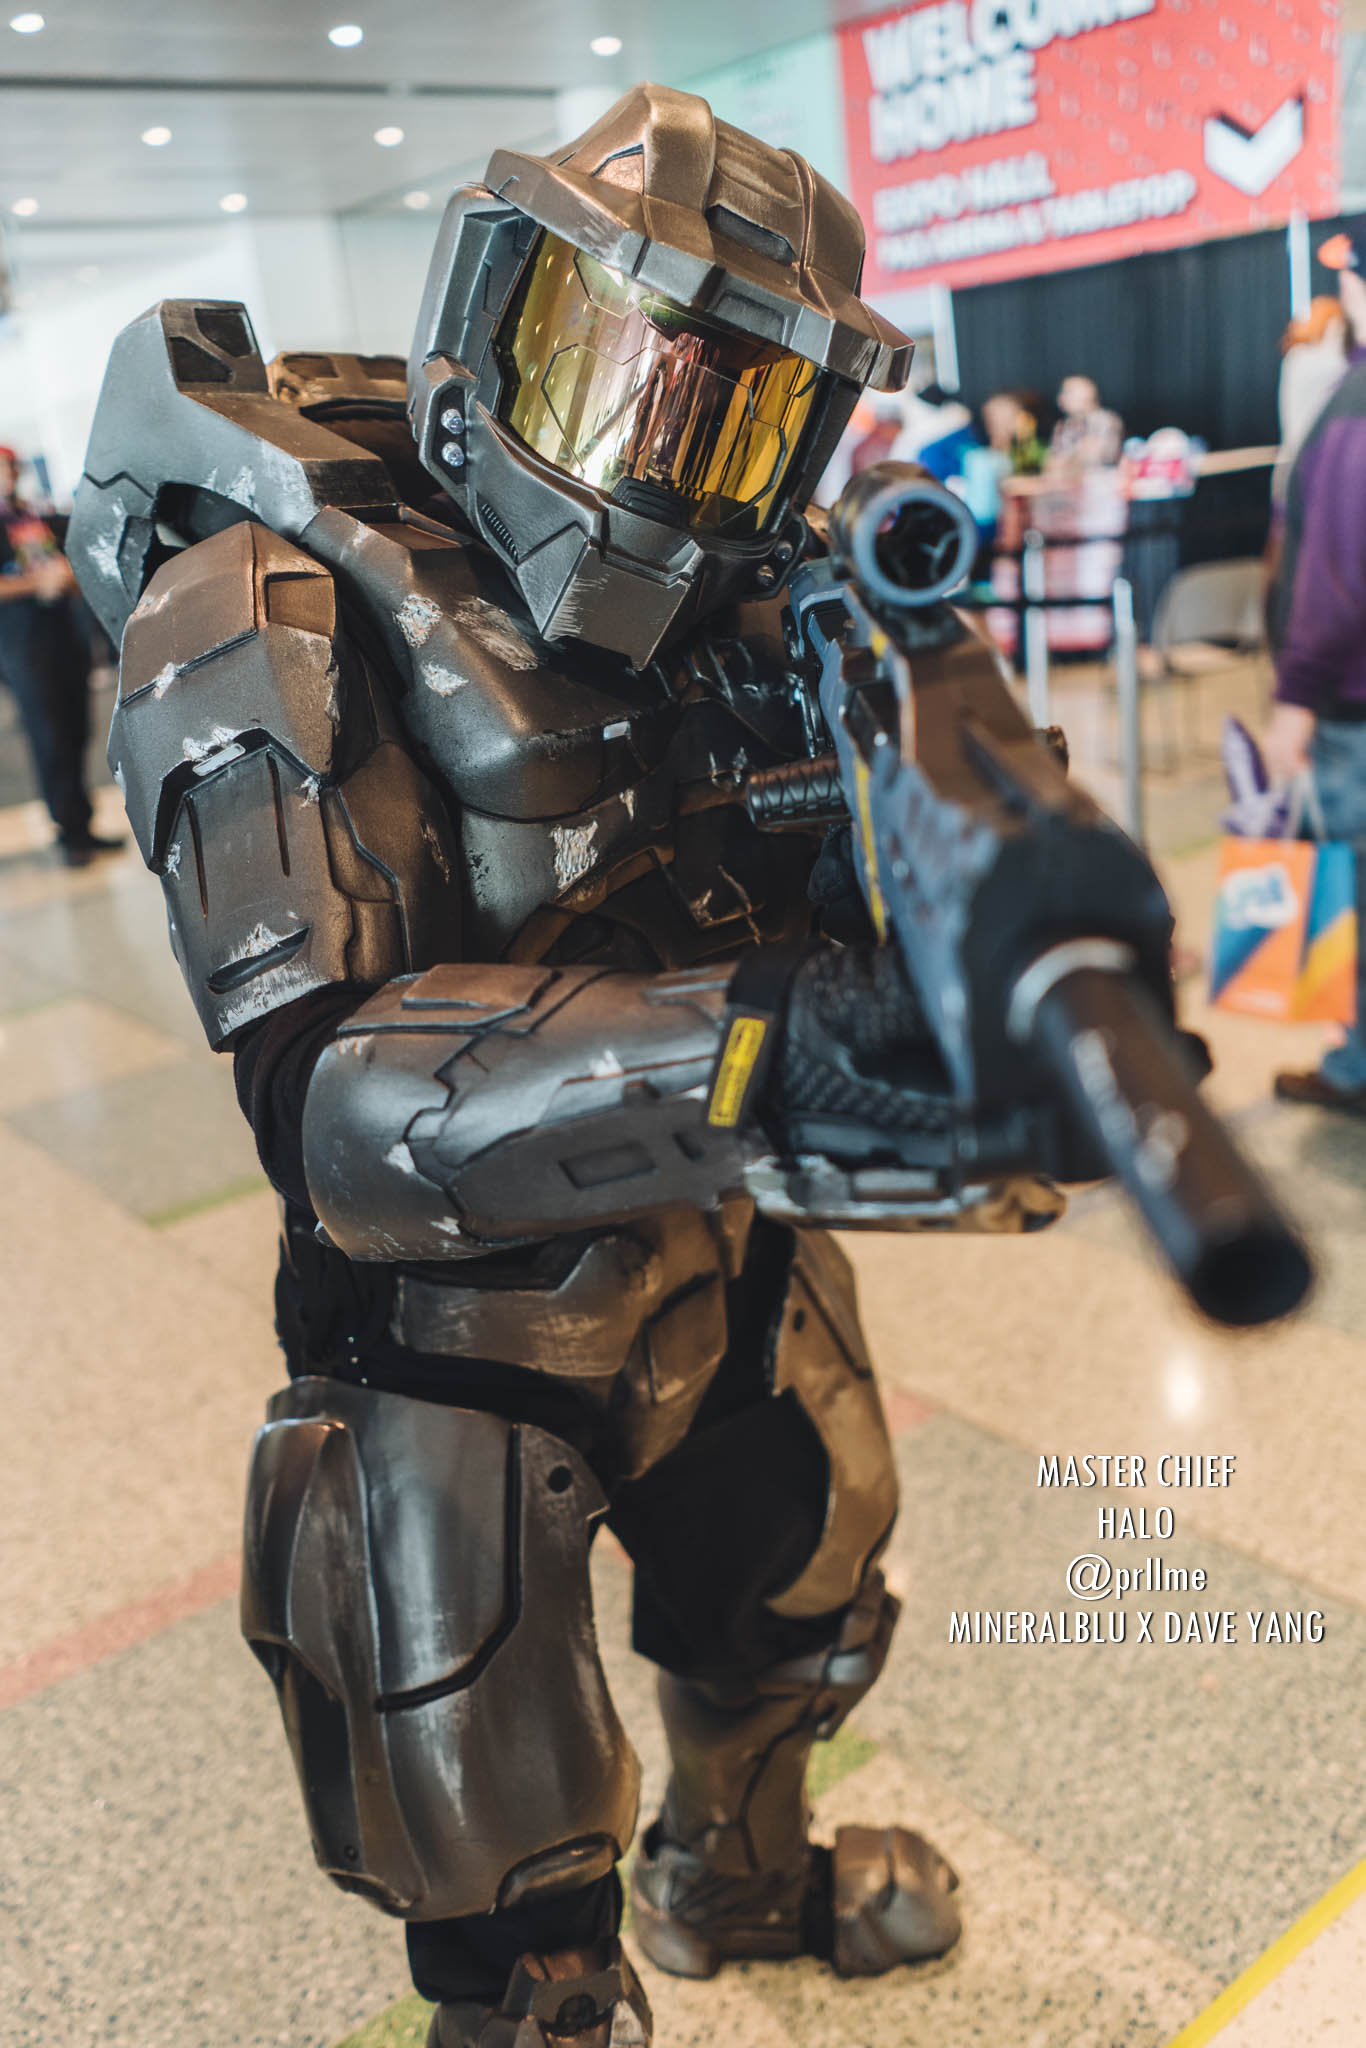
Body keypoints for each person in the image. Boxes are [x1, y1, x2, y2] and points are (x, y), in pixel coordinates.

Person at [67, 87, 1089, 2048]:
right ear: (493, 308)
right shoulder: (264, 602)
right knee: (491, 1812)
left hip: (724, 1251)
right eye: (623, 368)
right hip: (447, 1337)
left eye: (740, 413)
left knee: (797, 1603)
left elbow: (867, 924)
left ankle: (733, 1877)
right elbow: (330, 1107)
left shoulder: (767, 605)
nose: (669, 458)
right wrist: (770, 1053)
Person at [1265, 229, 1366, 1113]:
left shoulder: (1355, 407)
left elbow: (1337, 575)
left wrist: (1294, 700)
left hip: (1348, 705)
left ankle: (1356, 1066)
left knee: (1352, 882)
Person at [0, 447, 121, 862]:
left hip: (64, 633)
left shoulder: (28, 515)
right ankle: (69, 832)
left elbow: (61, 561)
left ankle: (83, 824)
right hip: (22, 643)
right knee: (49, 735)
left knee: (77, 730)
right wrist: (37, 585)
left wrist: (65, 576)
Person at [1045, 374, 1123, 475]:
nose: (1060, 398)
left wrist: (1066, 461)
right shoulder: (1064, 425)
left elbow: (1093, 458)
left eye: (1068, 392)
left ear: (1087, 395)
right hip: (1068, 481)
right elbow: (1049, 464)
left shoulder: (1104, 421)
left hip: (1100, 481)